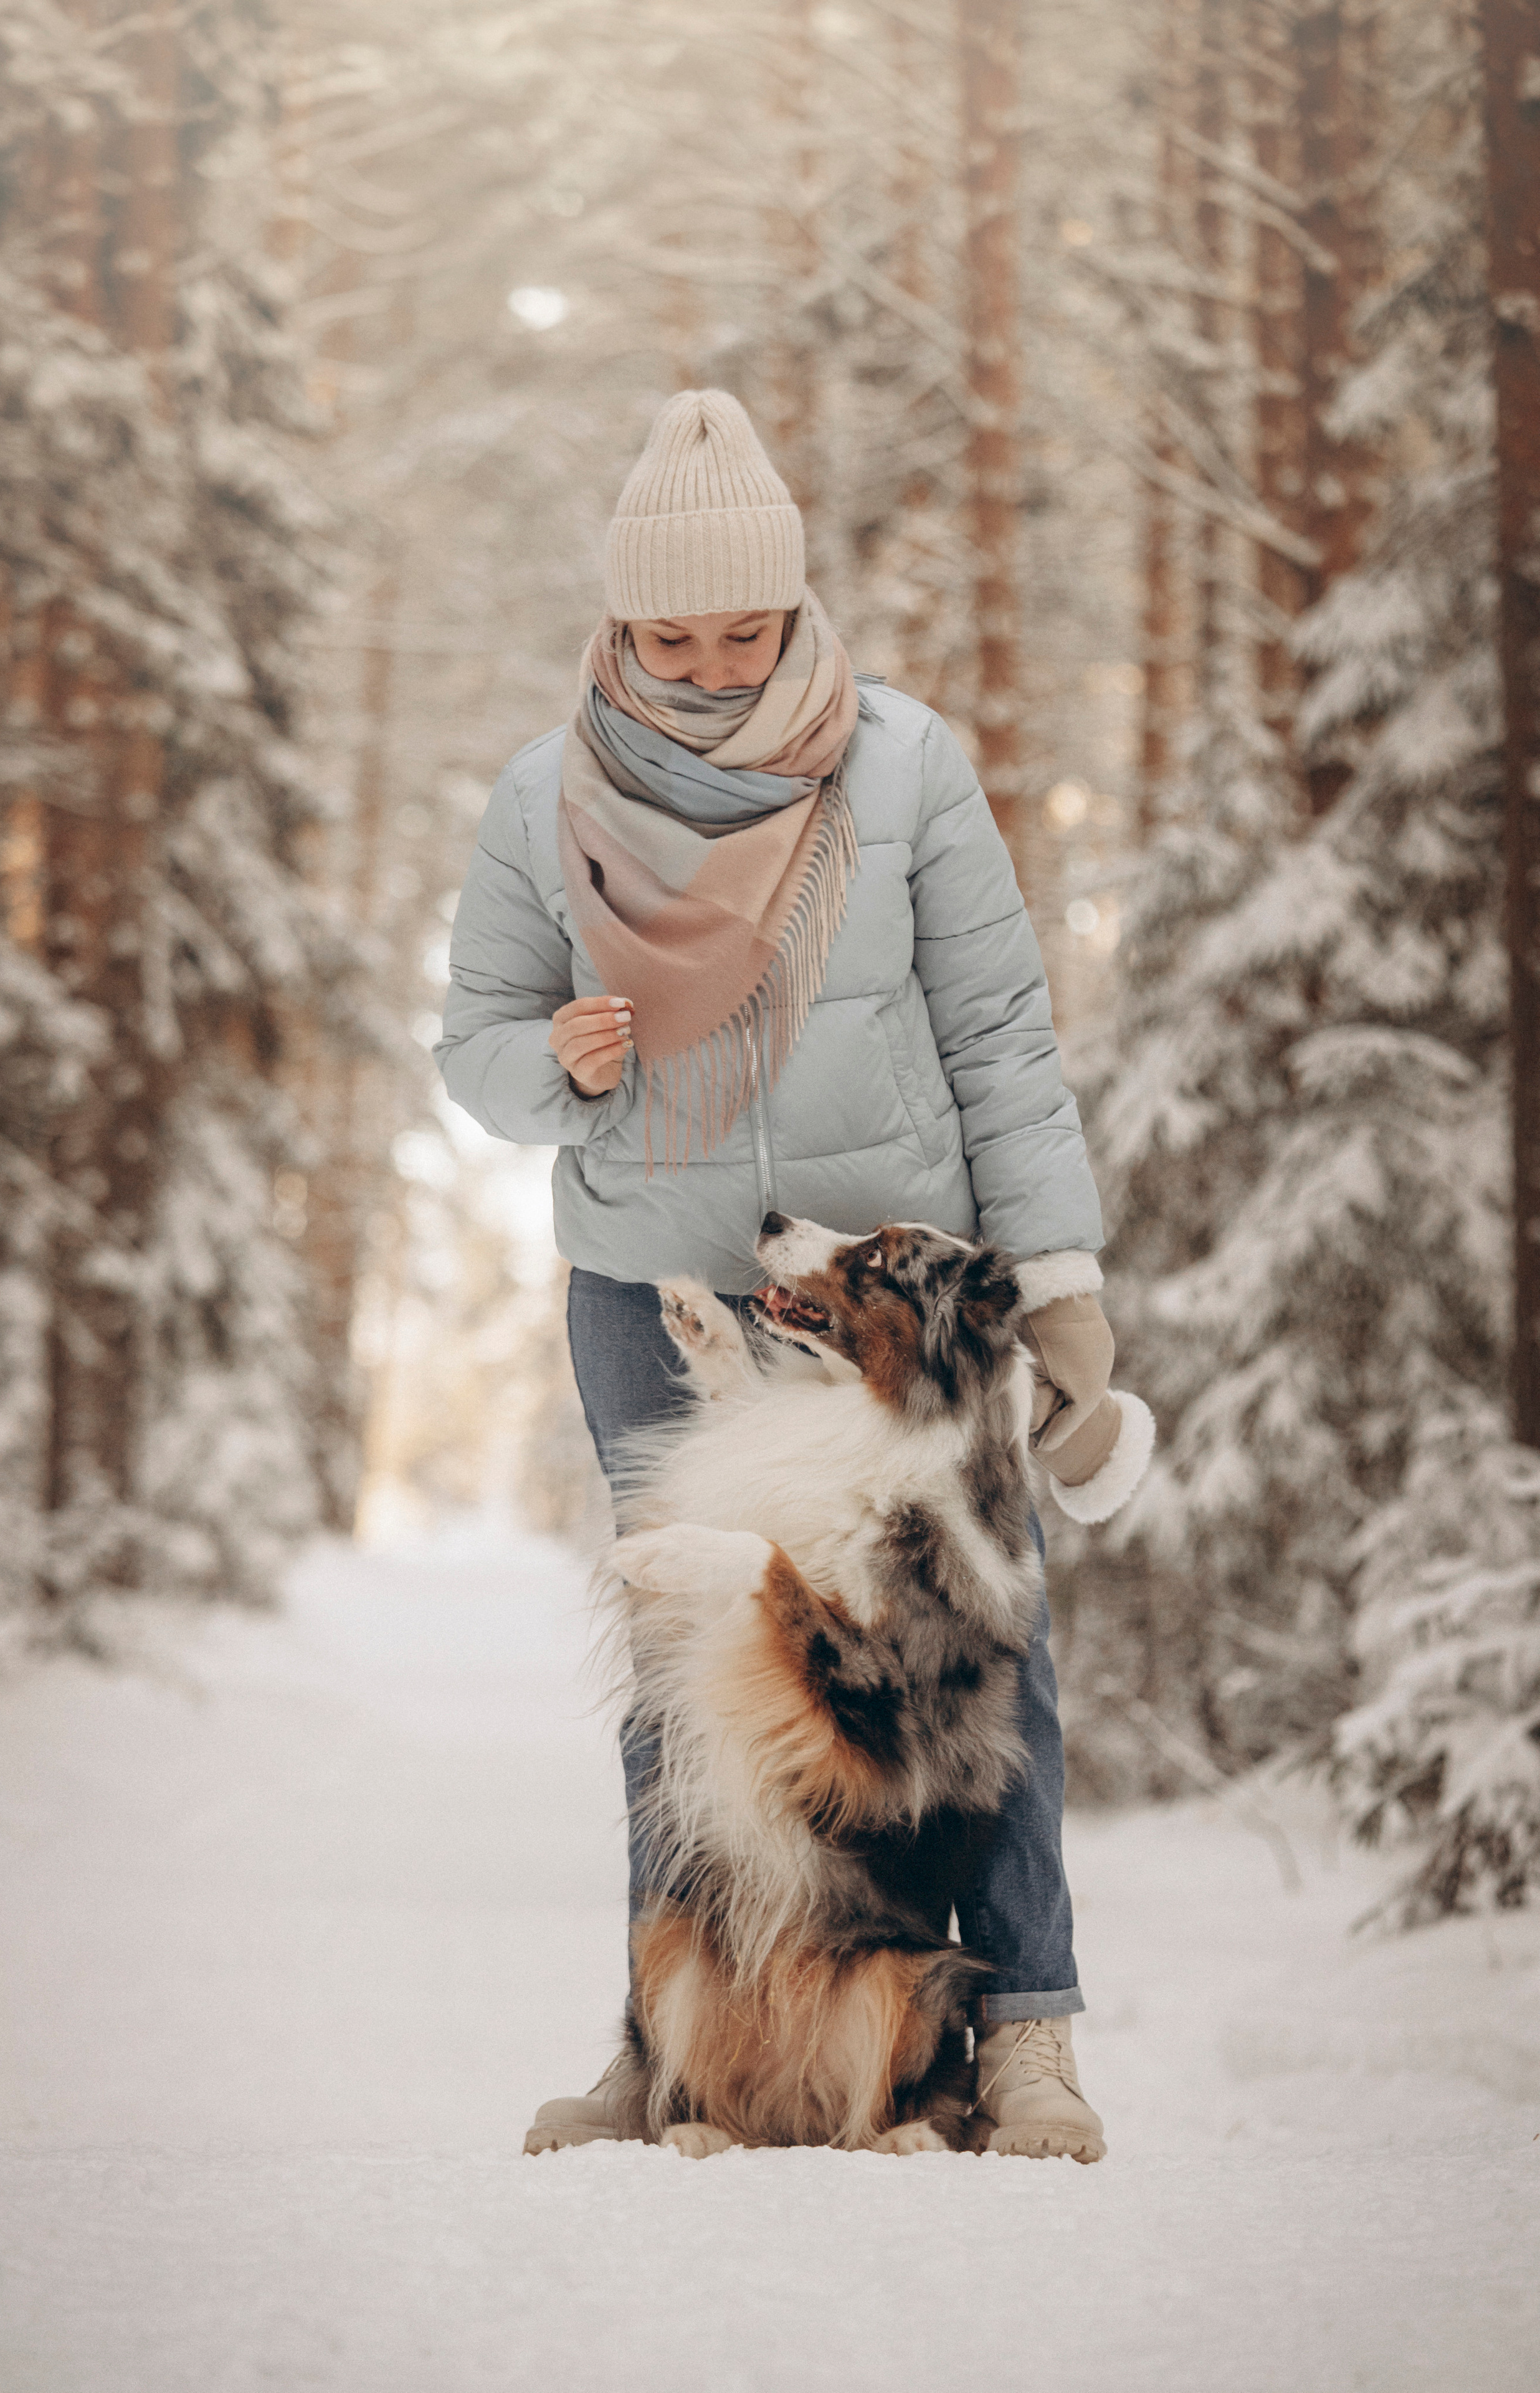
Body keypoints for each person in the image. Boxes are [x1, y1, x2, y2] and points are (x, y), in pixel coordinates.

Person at [436, 389, 1151, 2162]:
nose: (704, 662)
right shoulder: (550, 793)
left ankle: (1027, 2035)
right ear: (618, 623)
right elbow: (473, 1048)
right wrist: (560, 1070)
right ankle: (669, 2045)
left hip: (891, 1313)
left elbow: (998, 1032)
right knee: (688, 1672)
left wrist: (1057, 1289)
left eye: (740, 629)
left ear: (794, 605)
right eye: (669, 633)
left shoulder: (899, 765)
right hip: (655, 1279)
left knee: (982, 1656)